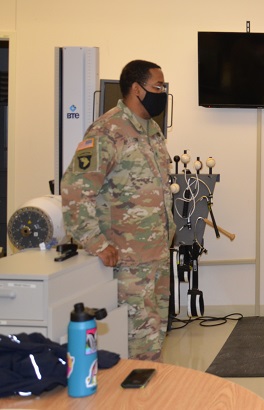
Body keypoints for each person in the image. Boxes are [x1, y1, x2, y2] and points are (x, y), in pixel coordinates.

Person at [61, 60, 174, 361]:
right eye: (158, 87)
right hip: (127, 260)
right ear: (137, 89)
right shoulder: (107, 130)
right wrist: (97, 243)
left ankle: (150, 398)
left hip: (156, 256)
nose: (162, 93)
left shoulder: (152, 131)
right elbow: (75, 190)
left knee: (155, 337)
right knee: (138, 345)